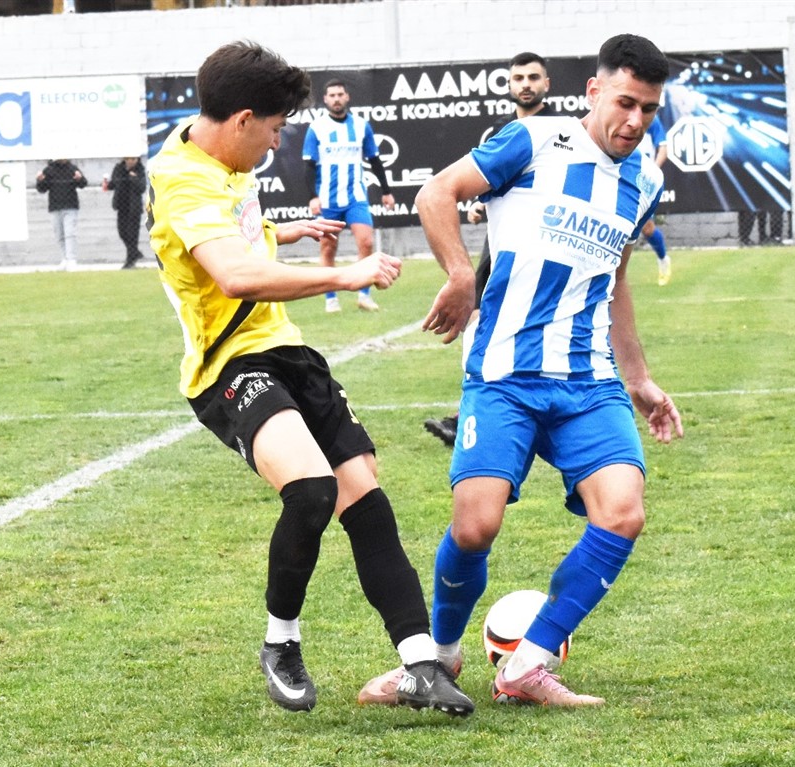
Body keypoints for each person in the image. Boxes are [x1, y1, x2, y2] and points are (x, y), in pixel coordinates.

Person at [147, 40, 474, 717]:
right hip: (227, 365)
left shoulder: (218, 154)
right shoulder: (181, 176)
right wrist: (344, 274)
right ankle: (281, 642)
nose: (275, 144)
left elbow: (231, 229)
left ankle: (420, 664)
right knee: (311, 489)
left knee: (365, 497)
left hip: (288, 351)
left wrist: (282, 230)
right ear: (242, 120)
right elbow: (233, 274)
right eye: (272, 130)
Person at [415, 33, 684, 706]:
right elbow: (436, 193)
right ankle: (437, 661)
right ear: (595, 91)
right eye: (625, 102)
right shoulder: (533, 141)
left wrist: (638, 377)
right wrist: (460, 275)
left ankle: (526, 666)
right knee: (474, 527)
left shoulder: (645, 180)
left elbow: (616, 280)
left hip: (588, 381)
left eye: (649, 109)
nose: (635, 120)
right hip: (504, 373)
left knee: (622, 513)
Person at [423, 51, 555, 448]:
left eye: (533, 77)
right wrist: (481, 205)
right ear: (510, 84)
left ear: (547, 84)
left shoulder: (561, 130)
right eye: (519, 78)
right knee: (477, 316)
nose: (526, 84)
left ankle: (538, 414)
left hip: (545, 247)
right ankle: (468, 413)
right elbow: (484, 182)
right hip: (498, 246)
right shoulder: (500, 132)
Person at [302, 79, 395, 313]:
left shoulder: (362, 126)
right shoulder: (317, 128)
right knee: (328, 248)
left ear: (347, 97)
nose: (336, 99)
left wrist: (386, 191)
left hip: (356, 196)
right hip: (327, 199)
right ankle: (331, 298)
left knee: (366, 242)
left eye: (340, 94)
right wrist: (313, 196)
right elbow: (309, 166)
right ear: (325, 99)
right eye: (332, 95)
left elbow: (374, 160)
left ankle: (364, 295)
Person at [36, 159, 87, 270]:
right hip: (55, 206)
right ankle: (65, 258)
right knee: (59, 234)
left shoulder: (72, 168)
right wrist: (40, 180)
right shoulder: (49, 170)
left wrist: (79, 179)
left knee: (70, 233)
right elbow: (42, 189)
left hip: (70, 205)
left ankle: (71, 259)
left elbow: (83, 184)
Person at [638, 118, 671, 285]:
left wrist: (653, 171)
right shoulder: (619, 117)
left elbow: (663, 148)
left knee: (647, 228)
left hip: (643, 181)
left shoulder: (651, 120)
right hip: (620, 177)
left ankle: (663, 259)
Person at [103, 156, 147, 269]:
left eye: (133, 159)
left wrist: (134, 178)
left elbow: (142, 188)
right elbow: (114, 184)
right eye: (128, 159)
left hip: (134, 207)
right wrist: (107, 184)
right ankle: (135, 252)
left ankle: (130, 260)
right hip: (121, 205)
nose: (130, 161)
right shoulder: (119, 168)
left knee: (132, 234)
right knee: (122, 232)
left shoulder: (140, 169)